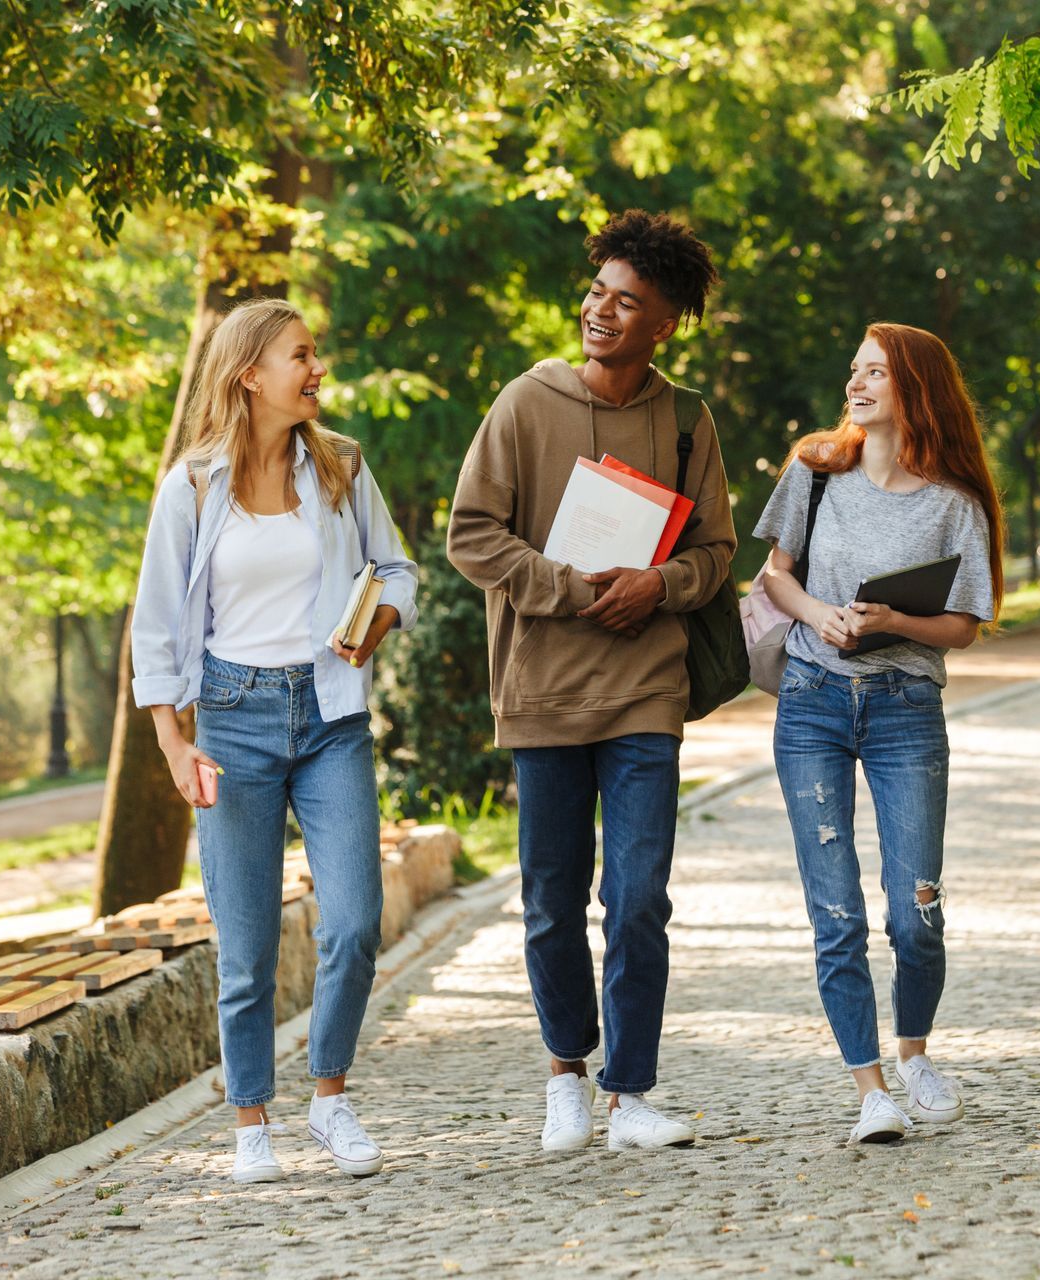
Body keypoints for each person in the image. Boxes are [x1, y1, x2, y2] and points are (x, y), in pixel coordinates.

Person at [446, 210, 735, 1153]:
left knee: (641, 895)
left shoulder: (689, 420)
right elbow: (472, 534)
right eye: (597, 293)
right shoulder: (524, 403)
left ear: (665, 324)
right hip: (542, 690)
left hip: (647, 691)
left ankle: (631, 1094)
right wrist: (570, 591)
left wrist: (659, 583)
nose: (601, 311)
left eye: (627, 302)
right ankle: (566, 1070)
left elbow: (718, 553)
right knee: (550, 898)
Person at [131, 297, 417, 1183]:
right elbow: (154, 626)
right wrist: (175, 746)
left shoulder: (340, 466)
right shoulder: (190, 487)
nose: (317, 369)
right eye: (302, 356)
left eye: (316, 354)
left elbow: (399, 568)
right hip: (231, 720)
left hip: (329, 717)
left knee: (358, 921)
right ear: (251, 373)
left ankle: (329, 1099)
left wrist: (374, 627)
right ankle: (251, 1119)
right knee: (247, 942)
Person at [753, 322, 1004, 1145]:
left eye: (875, 373)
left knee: (915, 909)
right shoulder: (815, 472)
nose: (856, 384)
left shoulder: (954, 503)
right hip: (813, 701)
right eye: (853, 369)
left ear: (914, 390)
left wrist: (894, 617)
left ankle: (916, 1053)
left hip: (905, 708)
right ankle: (870, 1088)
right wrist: (821, 614)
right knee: (836, 913)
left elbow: (965, 625)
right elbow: (774, 577)